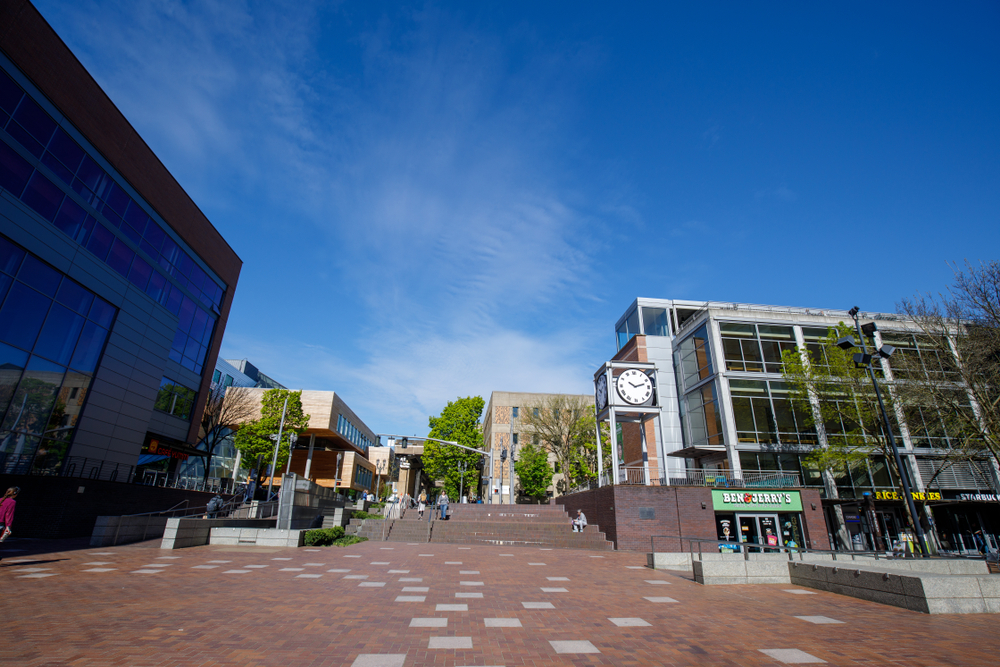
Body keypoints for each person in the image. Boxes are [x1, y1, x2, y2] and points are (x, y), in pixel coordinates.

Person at [0, 486, 19, 559]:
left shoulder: (0, 500)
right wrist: (8, 526)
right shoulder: (12, 502)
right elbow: (9, 514)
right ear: (15, 494)